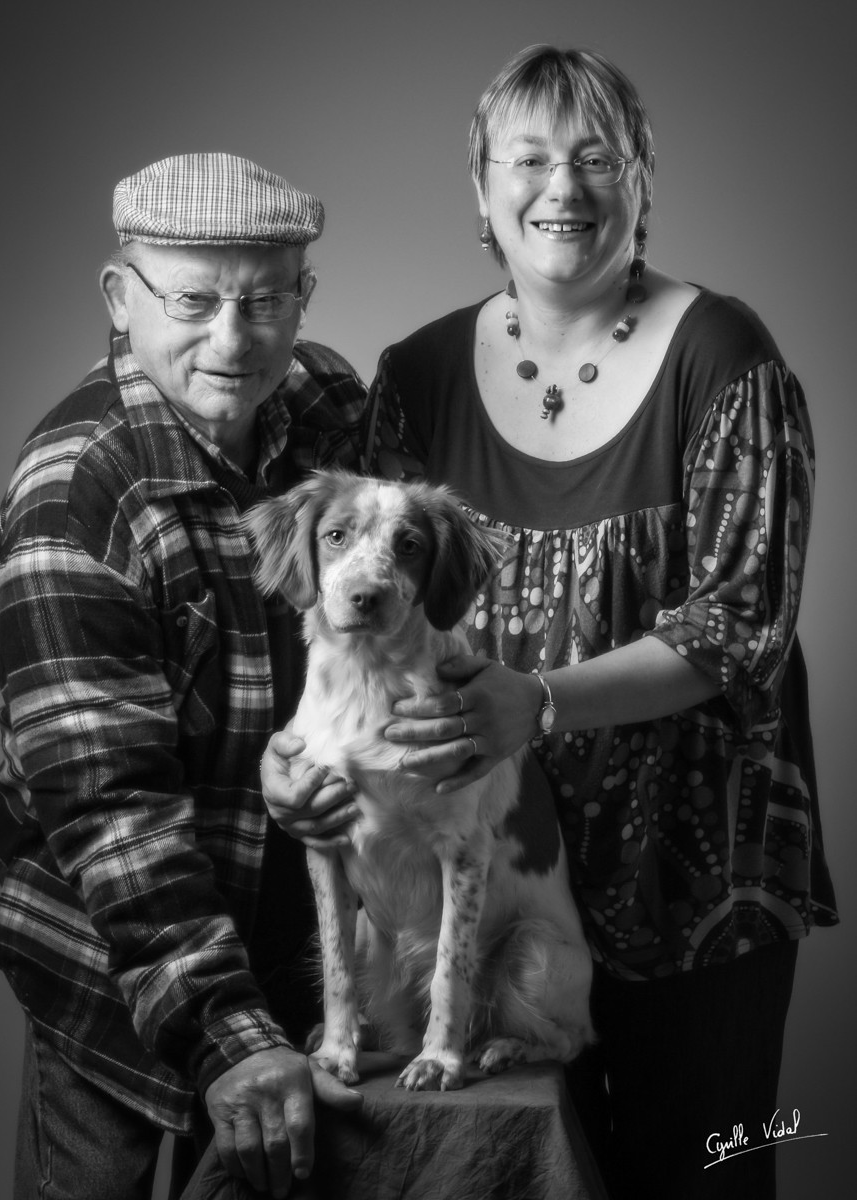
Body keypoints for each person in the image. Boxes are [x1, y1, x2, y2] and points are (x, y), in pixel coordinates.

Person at [261, 47, 839, 1200]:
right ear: (480, 190)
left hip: (690, 877)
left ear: (639, 183)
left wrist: (543, 701)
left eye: (594, 158)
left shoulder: (723, 356)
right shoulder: (415, 373)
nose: (560, 187)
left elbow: (740, 625)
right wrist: (292, 761)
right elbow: (354, 621)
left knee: (704, 1176)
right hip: (472, 866)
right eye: (525, 159)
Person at [0, 152, 367, 1200]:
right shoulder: (76, 497)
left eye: (264, 299)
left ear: (303, 295)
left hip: (283, 928)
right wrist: (229, 1037)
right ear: (121, 298)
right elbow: (112, 813)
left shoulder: (329, 407)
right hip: (112, 956)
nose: (233, 340)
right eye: (194, 302)